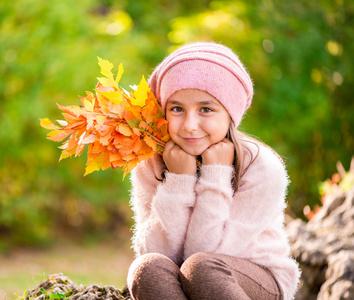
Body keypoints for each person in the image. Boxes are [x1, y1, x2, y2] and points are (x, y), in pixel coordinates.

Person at [126, 42, 300, 300]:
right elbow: (159, 252)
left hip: (253, 276)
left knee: (202, 266)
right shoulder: (150, 165)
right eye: (177, 109)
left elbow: (207, 252)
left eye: (206, 109)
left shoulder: (262, 167)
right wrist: (178, 180)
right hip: (186, 277)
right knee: (147, 267)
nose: (190, 125)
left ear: (230, 114)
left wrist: (216, 173)